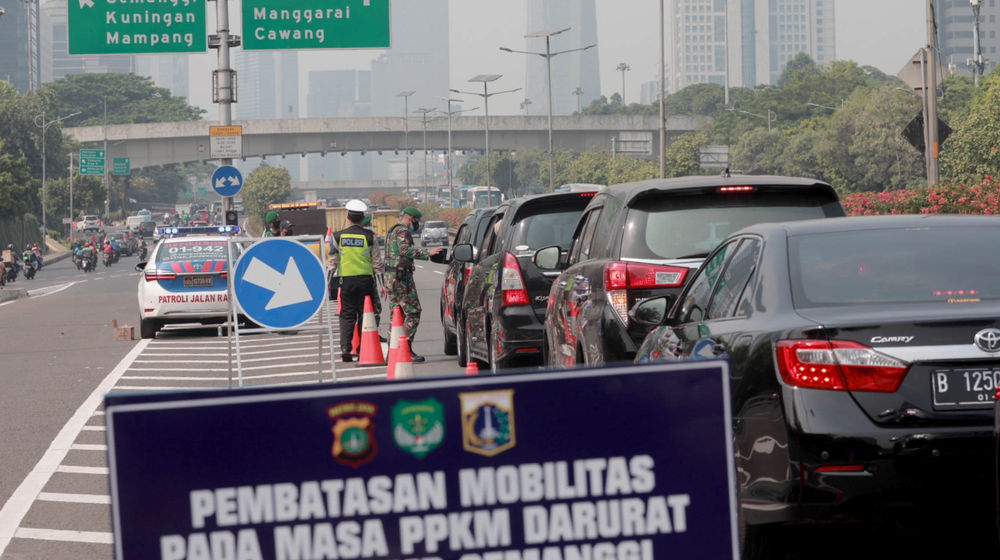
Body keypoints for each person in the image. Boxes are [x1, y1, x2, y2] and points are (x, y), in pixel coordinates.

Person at [384, 207, 444, 363]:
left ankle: (392, 350)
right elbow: (405, 250)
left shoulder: (391, 231)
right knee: (413, 312)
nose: (416, 224)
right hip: (402, 278)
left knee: (396, 315)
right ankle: (405, 348)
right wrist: (427, 253)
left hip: (391, 277)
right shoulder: (403, 231)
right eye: (416, 221)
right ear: (411, 218)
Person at [329, 200, 385, 362]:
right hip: (366, 281)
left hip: (346, 281)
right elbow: (377, 263)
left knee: (347, 315)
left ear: (348, 217)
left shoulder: (338, 236)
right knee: (365, 314)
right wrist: (382, 285)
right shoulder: (370, 236)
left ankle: (346, 348)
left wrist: (328, 282)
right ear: (362, 219)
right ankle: (361, 348)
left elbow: (333, 262)